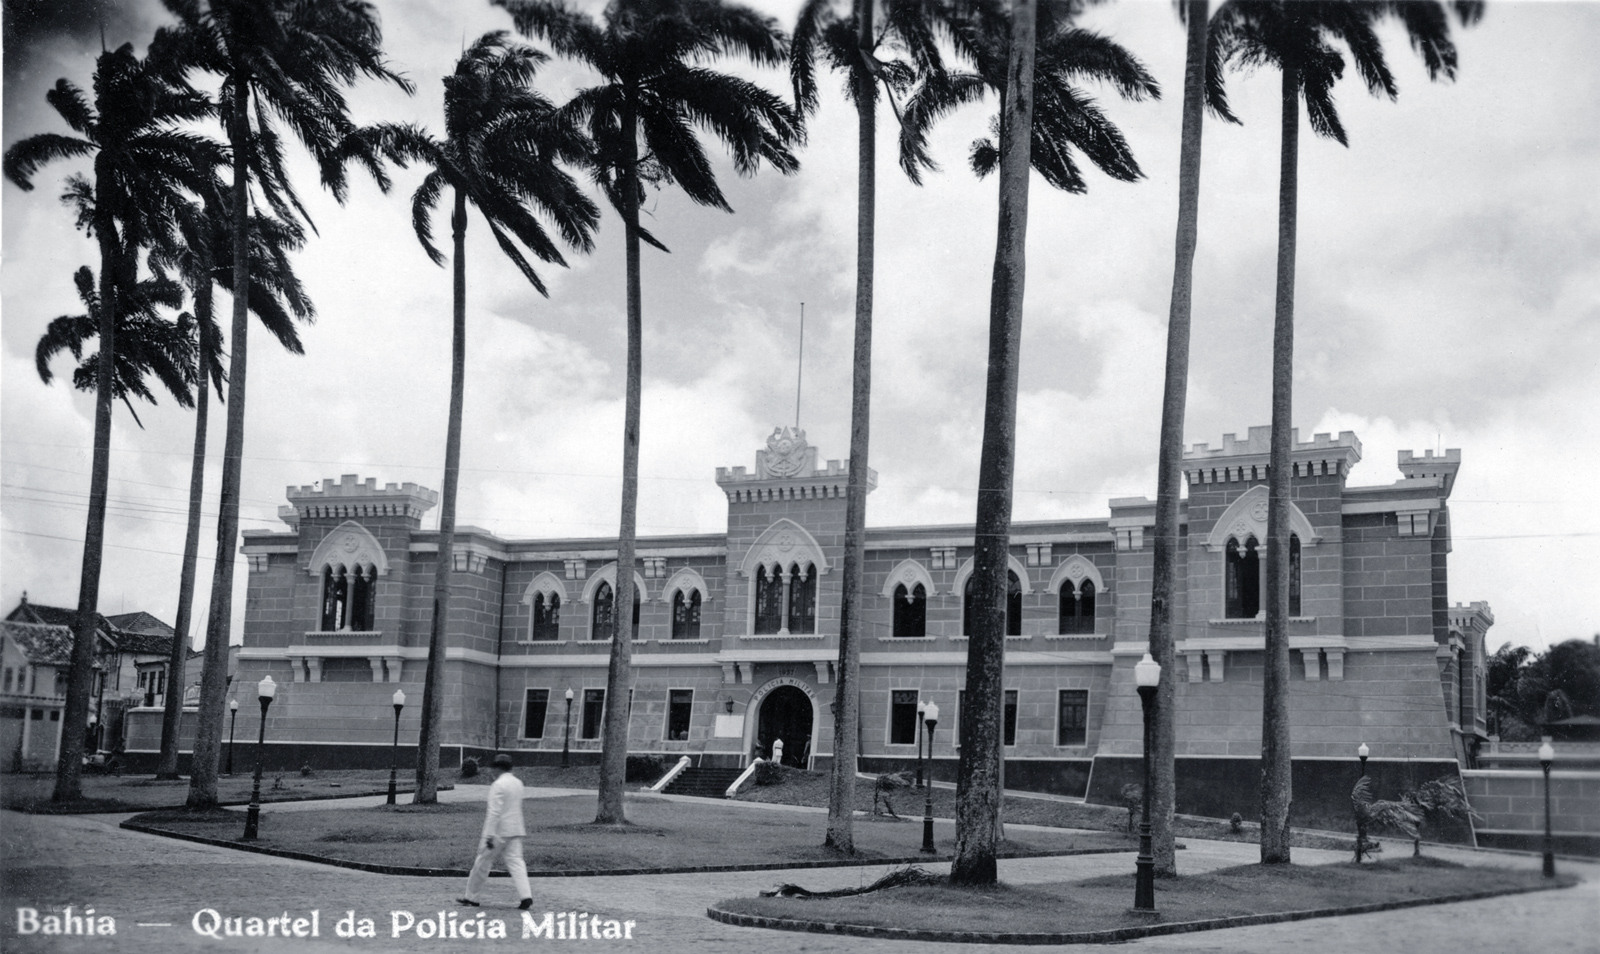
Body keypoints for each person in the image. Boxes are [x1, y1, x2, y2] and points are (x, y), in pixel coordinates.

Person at [458, 753, 532, 909]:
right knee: (517, 863)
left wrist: (489, 835)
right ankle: (526, 895)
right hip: (515, 829)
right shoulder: (518, 783)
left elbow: (494, 812)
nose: (492, 771)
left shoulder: (498, 785)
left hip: (499, 832)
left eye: (494, 768)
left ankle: (471, 897)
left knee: (482, 864)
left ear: (498, 768)